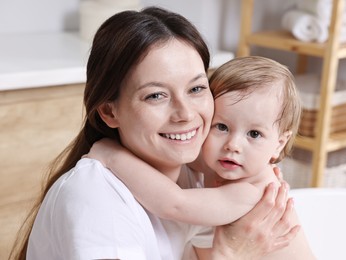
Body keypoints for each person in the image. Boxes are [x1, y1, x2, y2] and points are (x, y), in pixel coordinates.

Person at [9, 7, 299, 260]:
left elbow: (176, 203)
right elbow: (174, 203)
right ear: (110, 112)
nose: (185, 114)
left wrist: (111, 153)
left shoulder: (203, 168)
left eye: (196, 89)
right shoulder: (97, 202)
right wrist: (231, 255)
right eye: (156, 96)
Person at [86, 56, 316, 259]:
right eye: (222, 126)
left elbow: (174, 204)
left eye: (254, 134)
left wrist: (112, 156)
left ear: (279, 144)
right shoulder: (223, 164)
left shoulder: (251, 192)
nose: (233, 145)